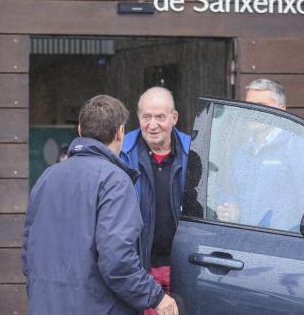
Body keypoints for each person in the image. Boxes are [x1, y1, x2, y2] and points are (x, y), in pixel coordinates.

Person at [22, 95, 178, 315]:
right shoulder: (115, 180)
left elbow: (29, 250)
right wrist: (156, 296)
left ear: (79, 129)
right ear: (120, 132)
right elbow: (117, 259)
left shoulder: (47, 177)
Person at [215, 78, 304, 231]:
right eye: (250, 105)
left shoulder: (298, 149)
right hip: (242, 242)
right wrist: (231, 207)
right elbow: (227, 190)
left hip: (281, 246)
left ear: (281, 110)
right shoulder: (242, 152)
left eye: (262, 106)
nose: (254, 112)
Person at [120, 87, 190, 315]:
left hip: (184, 268)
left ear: (174, 118)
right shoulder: (121, 152)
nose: (152, 124)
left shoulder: (195, 151)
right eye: (146, 117)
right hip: (138, 270)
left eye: (160, 117)